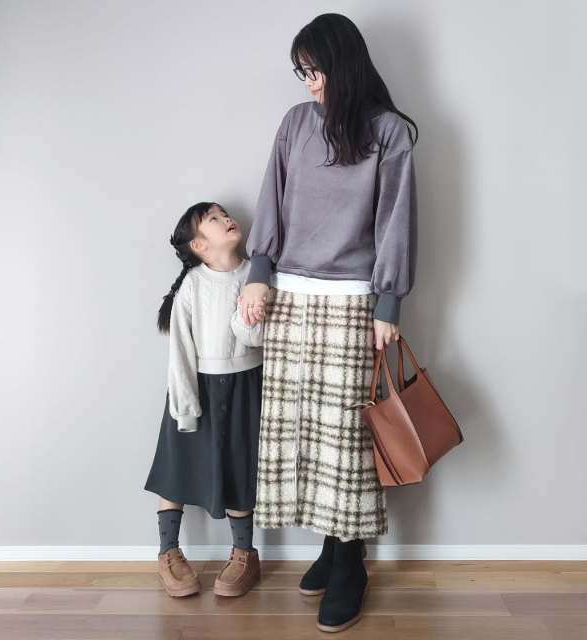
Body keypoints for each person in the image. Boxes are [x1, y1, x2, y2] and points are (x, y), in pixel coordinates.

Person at [238, 13, 419, 633]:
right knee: (303, 436)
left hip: (351, 301)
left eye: (316, 69)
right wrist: (258, 272)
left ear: (344, 63)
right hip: (290, 296)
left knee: (346, 441)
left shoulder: (388, 133)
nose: (310, 82)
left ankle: (350, 564)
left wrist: (388, 305)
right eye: (302, 71)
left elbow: (395, 221)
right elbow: (272, 197)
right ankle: (331, 548)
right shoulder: (295, 123)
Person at [144, 201, 265, 598]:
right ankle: (168, 551)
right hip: (195, 387)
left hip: (246, 385)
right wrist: (184, 406)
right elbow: (180, 350)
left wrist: (246, 314)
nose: (226, 218)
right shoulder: (192, 285)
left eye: (223, 213)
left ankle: (244, 554)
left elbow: (257, 337)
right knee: (178, 466)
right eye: (213, 218)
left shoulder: (258, 275)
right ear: (199, 245)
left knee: (239, 466)